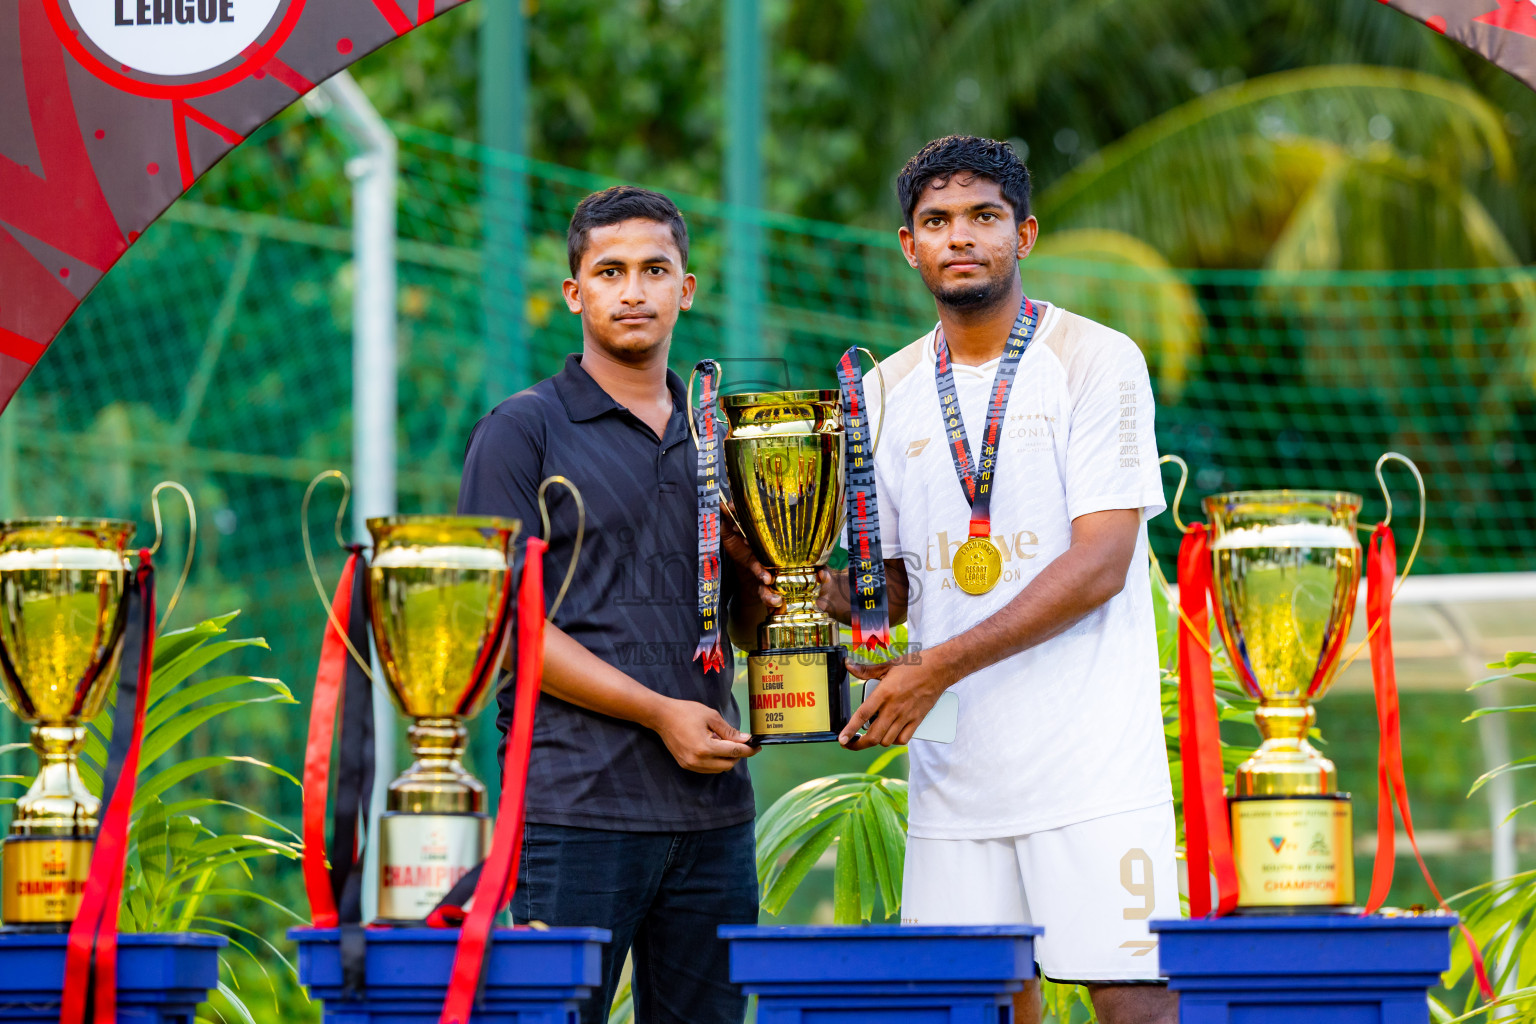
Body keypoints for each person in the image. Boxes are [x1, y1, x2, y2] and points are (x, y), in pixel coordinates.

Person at [823, 136, 1178, 1024]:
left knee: (1132, 997)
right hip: (957, 770)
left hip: (1092, 762)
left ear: (1023, 234)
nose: (960, 237)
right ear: (909, 245)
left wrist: (935, 667)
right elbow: (890, 586)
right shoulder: (883, 389)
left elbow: (1099, 565)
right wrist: (801, 586)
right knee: (976, 1003)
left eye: (983, 216)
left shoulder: (1097, 358)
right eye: (937, 220)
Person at [458, 185, 773, 1024]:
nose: (633, 290)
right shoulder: (523, 430)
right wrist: (659, 712)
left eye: (654, 270)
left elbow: (742, 627)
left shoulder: (722, 438)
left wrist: (770, 589)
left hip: (714, 815)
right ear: (575, 293)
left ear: (686, 288)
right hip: (573, 810)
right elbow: (504, 629)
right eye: (610, 272)